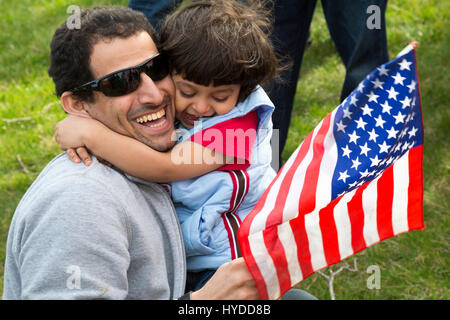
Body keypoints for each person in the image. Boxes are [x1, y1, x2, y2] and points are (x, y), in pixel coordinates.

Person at [2, 6, 260, 300]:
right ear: (76, 105)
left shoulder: (186, 135)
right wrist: (200, 303)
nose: (154, 95)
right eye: (122, 82)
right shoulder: (79, 201)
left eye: (156, 69)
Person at [128, 0, 390, 168]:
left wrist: (92, 135)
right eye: (187, 91)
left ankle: (362, 164)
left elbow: (164, 167)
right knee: (275, 49)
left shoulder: (242, 124)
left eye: (220, 97)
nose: (201, 106)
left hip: (224, 246)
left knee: (365, 55)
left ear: (244, 90)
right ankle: (271, 173)